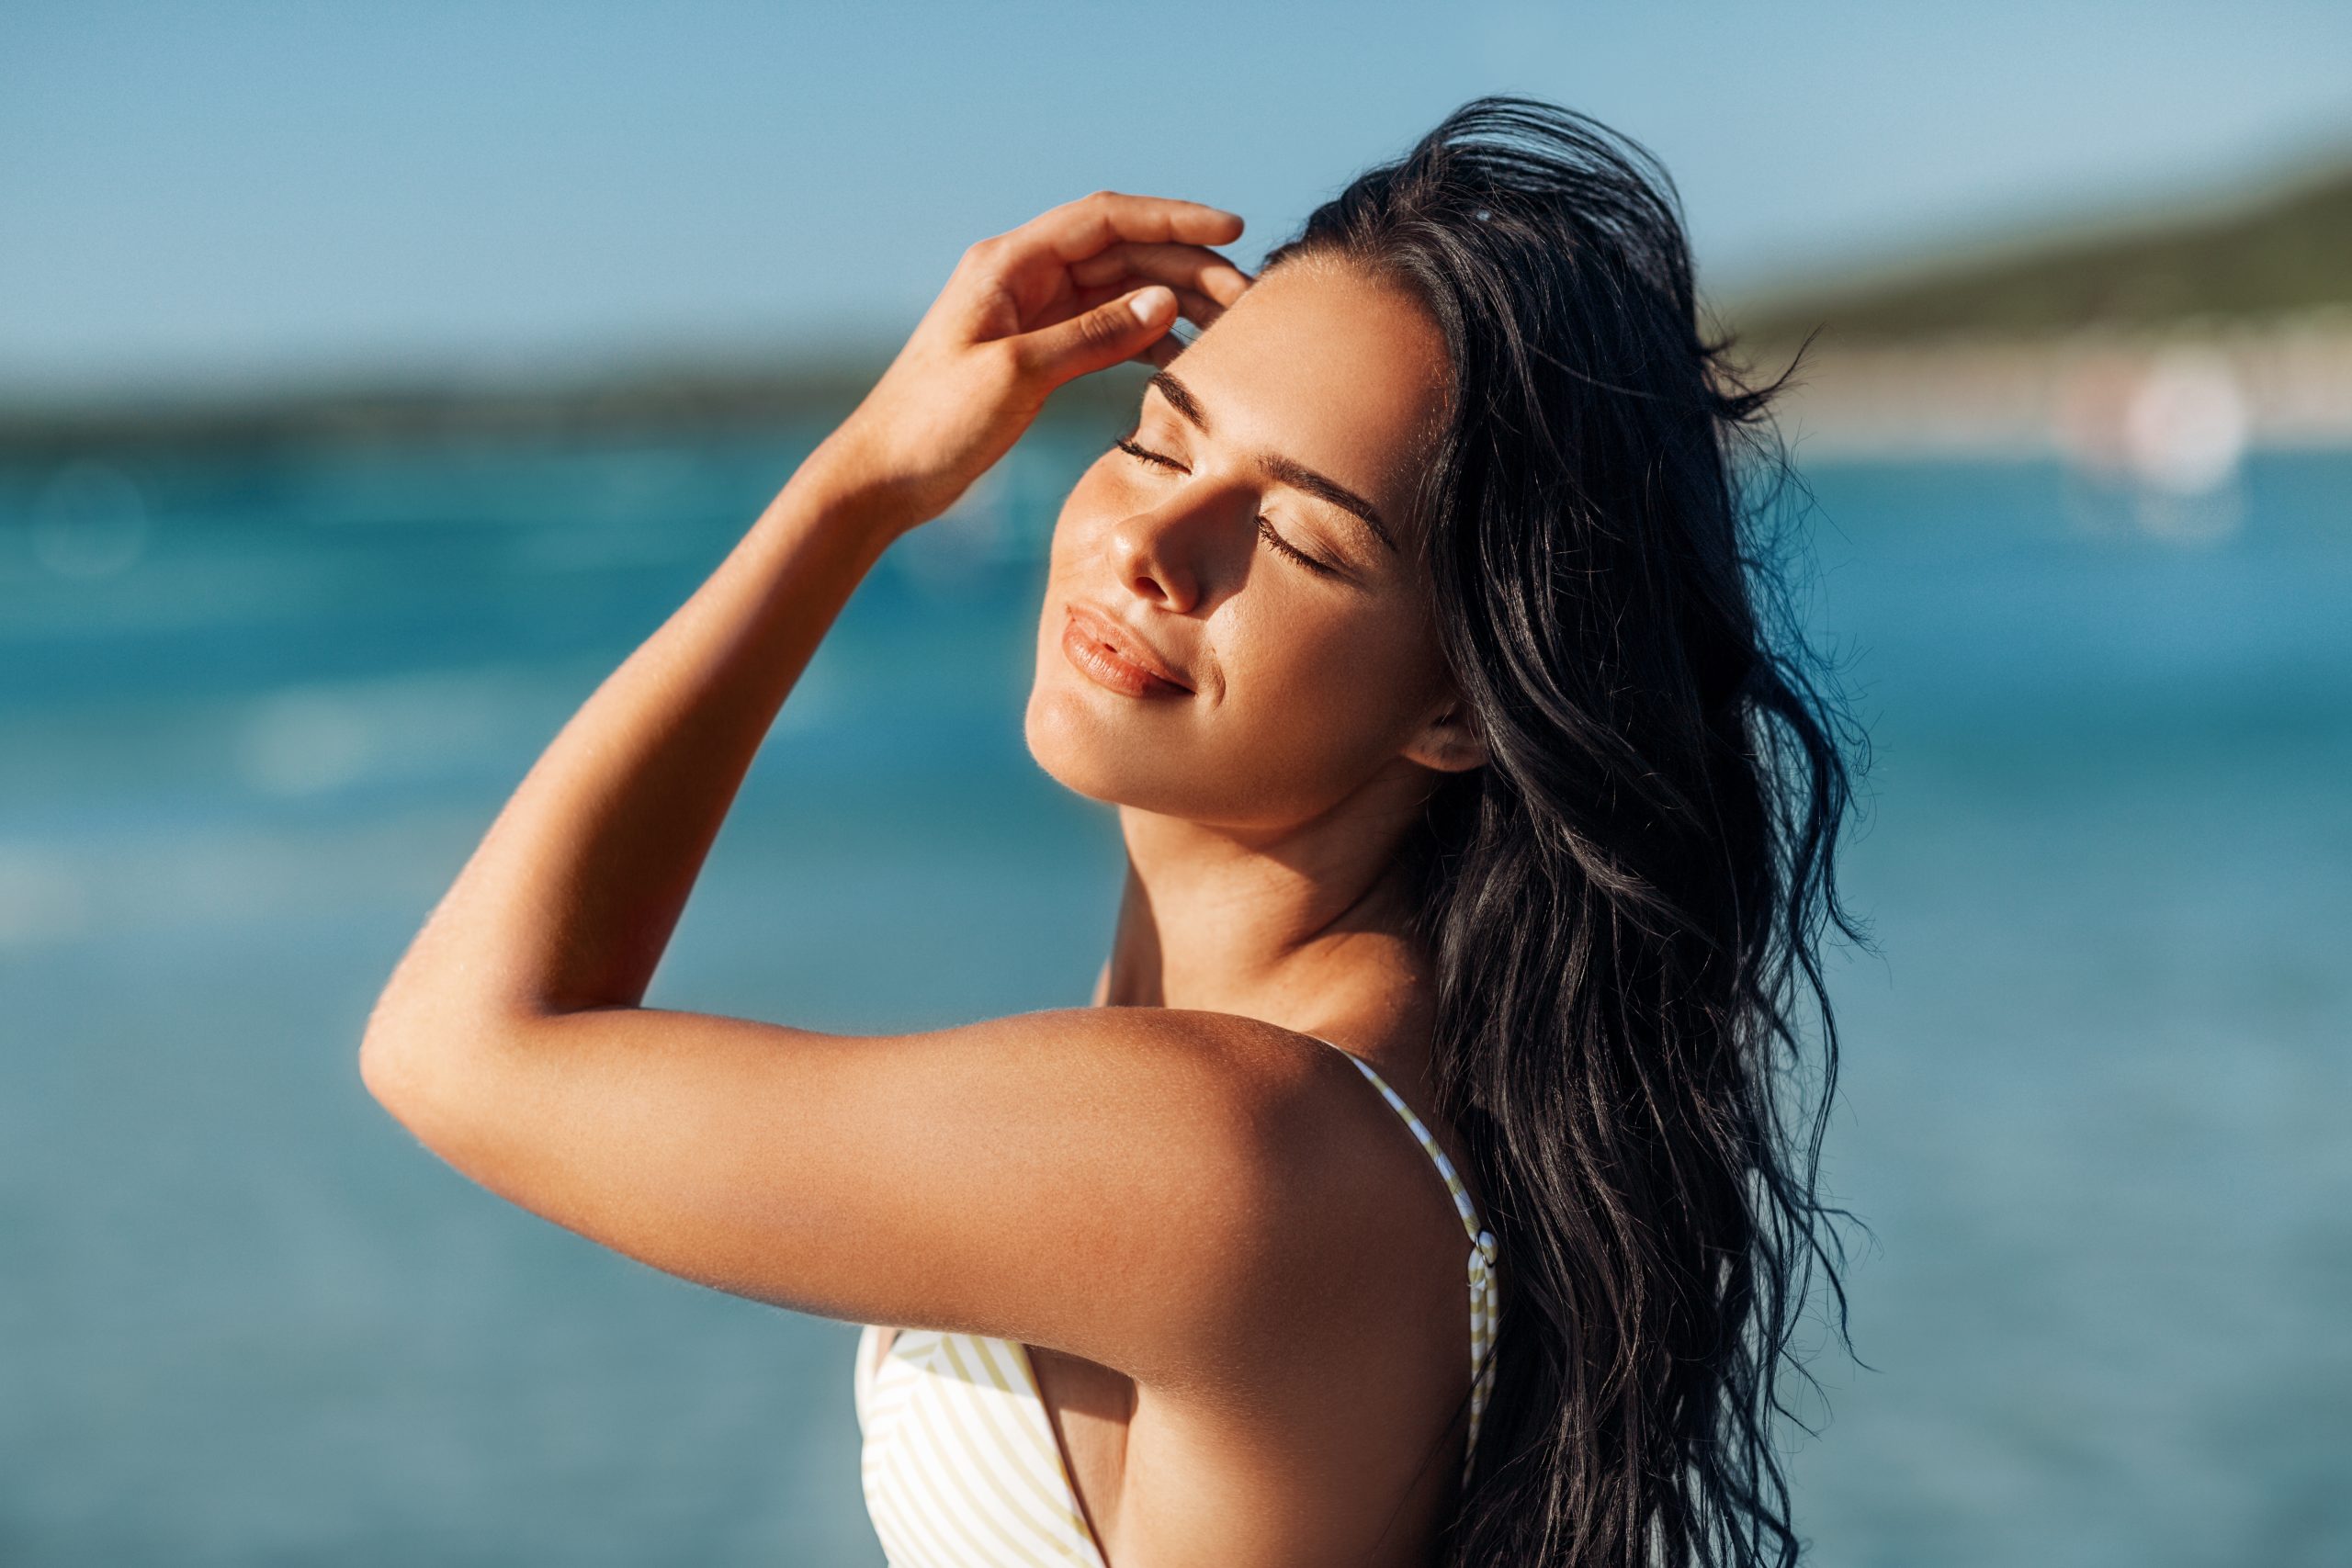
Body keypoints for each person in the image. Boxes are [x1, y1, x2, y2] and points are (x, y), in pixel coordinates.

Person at [361, 96, 1865, 1568]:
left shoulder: (1227, 1144)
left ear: (1463, 711)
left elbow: (454, 1046)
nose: (1150, 547)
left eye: (1293, 536)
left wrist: (859, 484)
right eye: (1158, 442)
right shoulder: (1349, 1058)